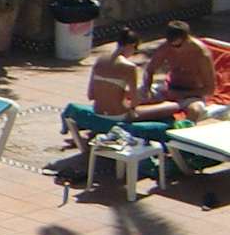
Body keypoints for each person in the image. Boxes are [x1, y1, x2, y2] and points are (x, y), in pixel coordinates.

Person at [61, 25, 177, 165]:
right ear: (131, 45)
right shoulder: (129, 67)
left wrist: (121, 93)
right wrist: (138, 99)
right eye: (135, 50)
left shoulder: (100, 60)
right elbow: (134, 102)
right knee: (172, 106)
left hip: (98, 110)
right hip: (119, 115)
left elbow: (91, 95)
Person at [140, 21, 219, 118]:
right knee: (135, 94)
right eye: (171, 45)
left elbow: (210, 89)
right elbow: (149, 70)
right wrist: (147, 88)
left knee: (194, 110)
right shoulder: (166, 47)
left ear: (187, 39)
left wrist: (181, 94)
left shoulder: (201, 54)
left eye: (178, 46)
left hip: (191, 94)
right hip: (169, 89)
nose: (174, 49)